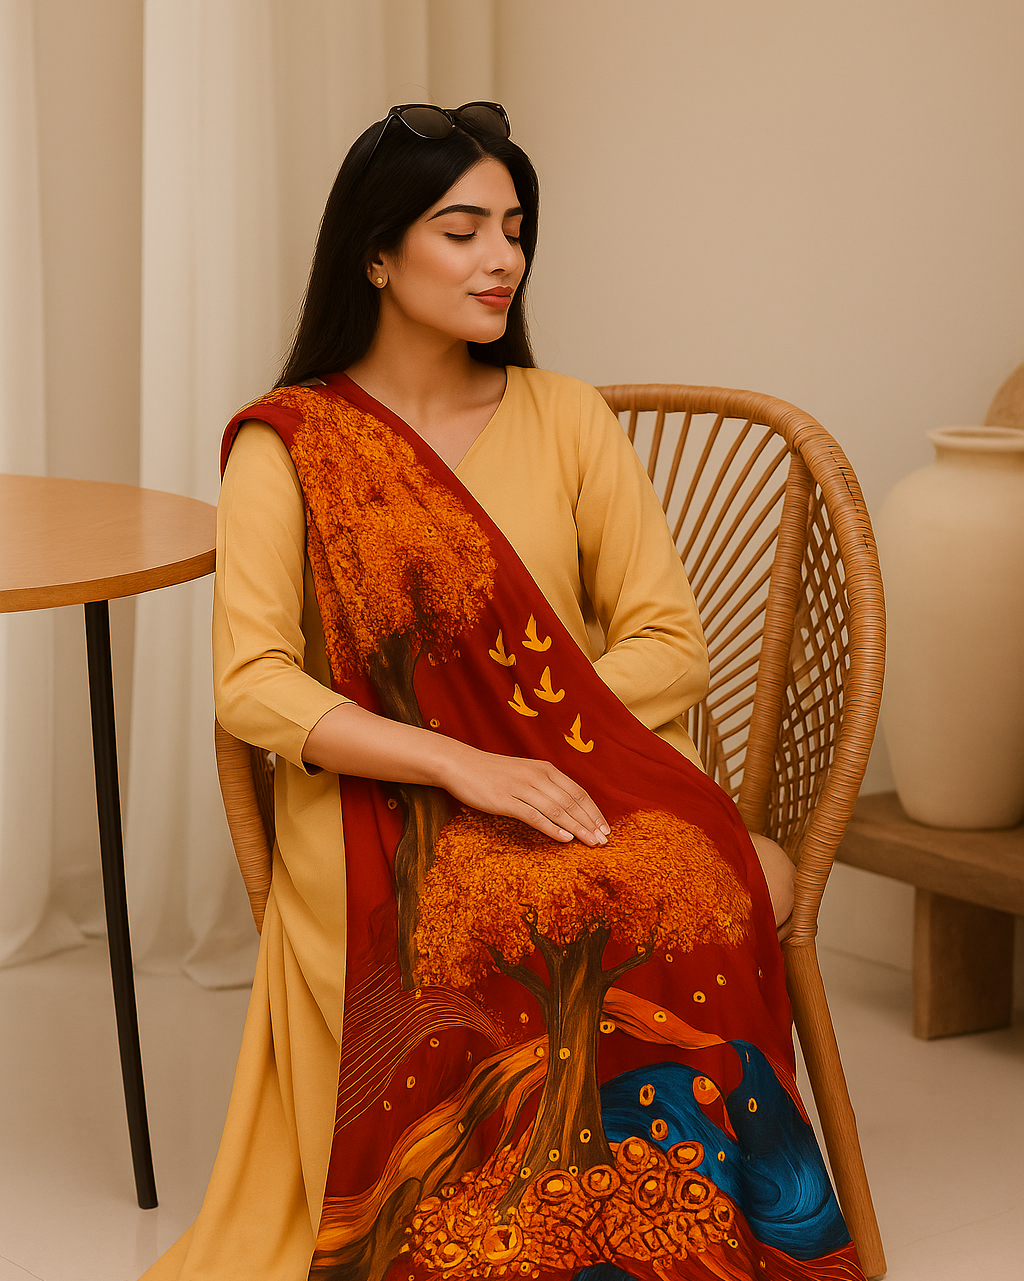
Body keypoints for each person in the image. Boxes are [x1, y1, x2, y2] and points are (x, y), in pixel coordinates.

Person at [142, 104, 862, 1281]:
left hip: (580, 771)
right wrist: (459, 757)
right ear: (375, 254)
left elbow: (668, 641)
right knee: (462, 932)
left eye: (515, 231)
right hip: (387, 797)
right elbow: (253, 684)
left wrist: (532, 740)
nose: (501, 260)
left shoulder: (565, 416)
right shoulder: (291, 446)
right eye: (462, 228)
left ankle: (644, 1230)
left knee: (654, 897)